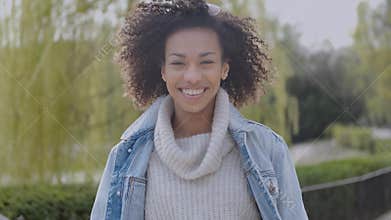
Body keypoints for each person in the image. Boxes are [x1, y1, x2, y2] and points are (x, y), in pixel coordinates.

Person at [90, 0, 308, 219]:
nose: (192, 77)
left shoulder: (269, 149)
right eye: (178, 63)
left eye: (206, 62)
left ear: (224, 68)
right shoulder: (126, 157)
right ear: (163, 70)